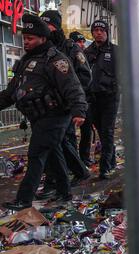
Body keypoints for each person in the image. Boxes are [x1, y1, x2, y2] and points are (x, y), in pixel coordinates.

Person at [0, 14, 87, 211]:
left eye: (30, 39)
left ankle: (24, 199)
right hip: (38, 117)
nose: (26, 42)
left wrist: (79, 110)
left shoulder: (56, 59)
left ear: (42, 38)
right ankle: (65, 193)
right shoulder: (25, 61)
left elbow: (73, 87)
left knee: (36, 155)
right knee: (54, 155)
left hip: (55, 116)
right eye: (24, 38)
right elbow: (11, 92)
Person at [36, 11, 92, 200]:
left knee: (56, 143)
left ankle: (57, 182)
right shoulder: (41, 48)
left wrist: (73, 99)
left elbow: (85, 76)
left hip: (65, 106)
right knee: (59, 143)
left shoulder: (70, 48)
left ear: (56, 26)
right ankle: (75, 173)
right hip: (46, 107)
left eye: (48, 25)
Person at [84, 20, 119, 179]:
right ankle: (111, 160)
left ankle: (104, 168)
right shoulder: (87, 52)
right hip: (92, 98)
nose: (98, 33)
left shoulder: (116, 51)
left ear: (107, 32)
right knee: (101, 132)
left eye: (101, 30)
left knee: (107, 131)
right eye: (95, 30)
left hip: (110, 97)